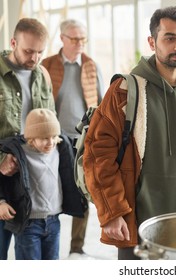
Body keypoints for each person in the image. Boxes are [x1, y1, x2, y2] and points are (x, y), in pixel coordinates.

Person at [83, 6, 176, 260]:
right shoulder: (124, 92)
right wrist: (113, 212)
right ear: (152, 42)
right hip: (137, 226)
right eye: (170, 38)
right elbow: (97, 154)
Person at [41, 19, 104, 260]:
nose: (79, 44)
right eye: (74, 39)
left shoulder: (90, 65)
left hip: (83, 140)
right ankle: (49, 243)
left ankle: (76, 248)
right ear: (62, 38)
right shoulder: (47, 65)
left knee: (83, 191)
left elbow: (100, 102)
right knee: (50, 190)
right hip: (54, 139)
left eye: (83, 39)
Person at [0, 18, 55, 260]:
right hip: (2, 175)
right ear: (13, 42)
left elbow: (51, 122)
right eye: (28, 51)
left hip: (32, 177)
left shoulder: (42, 74)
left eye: (40, 52)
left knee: (30, 253)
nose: (34, 58)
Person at [0, 109, 85, 260]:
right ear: (31, 138)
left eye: (54, 136)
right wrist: (1, 202)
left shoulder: (61, 147)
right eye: (44, 138)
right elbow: (3, 180)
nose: (50, 142)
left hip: (53, 222)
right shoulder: (17, 153)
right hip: (28, 225)